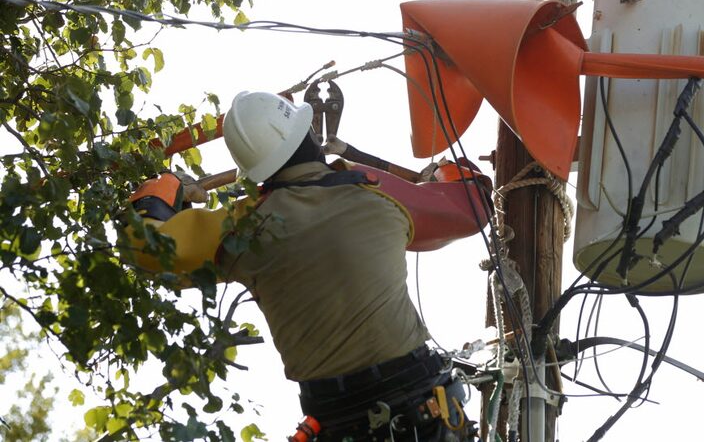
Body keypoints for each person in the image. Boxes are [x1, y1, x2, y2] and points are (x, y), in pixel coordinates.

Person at [126, 90, 492, 442]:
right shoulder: (377, 195)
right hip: (423, 411)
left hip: (337, 420)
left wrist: (168, 185)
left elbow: (147, 243)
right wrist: (445, 171)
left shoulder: (243, 228)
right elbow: (472, 205)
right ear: (311, 132)